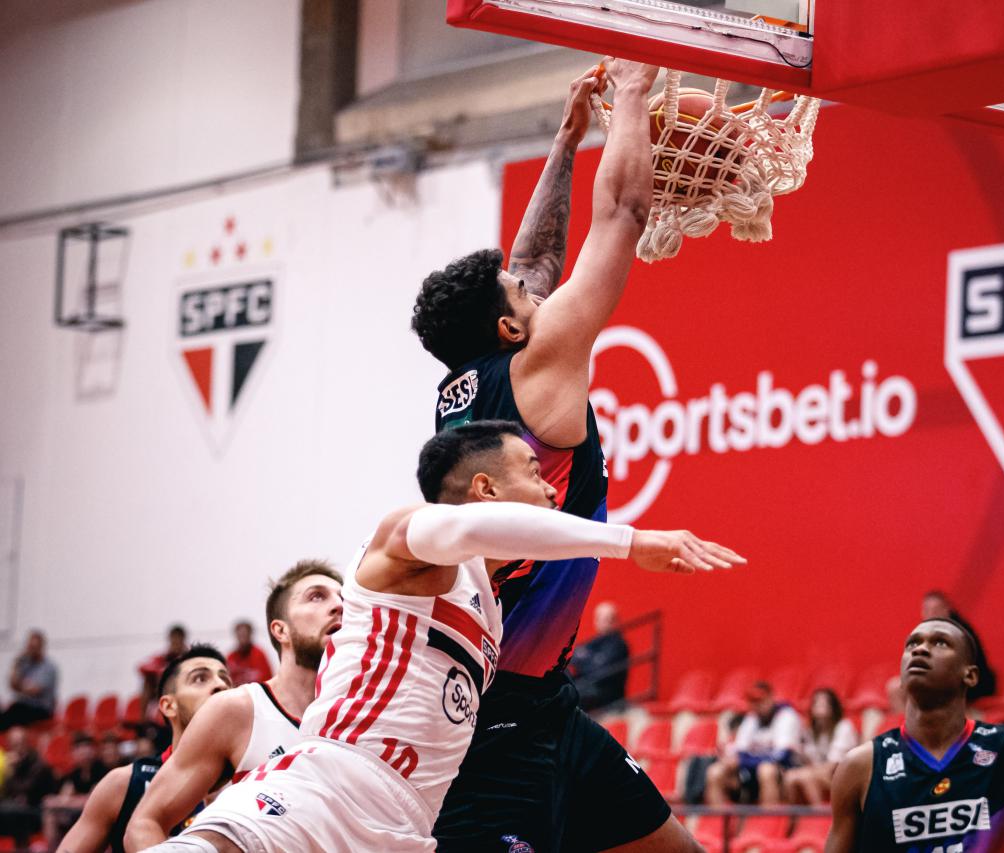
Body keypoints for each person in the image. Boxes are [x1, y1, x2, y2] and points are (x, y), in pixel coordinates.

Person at [142, 420, 741, 852]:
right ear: (485, 489)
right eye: (535, 473)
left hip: (405, 829)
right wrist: (631, 542)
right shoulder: (407, 539)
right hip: (324, 792)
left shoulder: (490, 608)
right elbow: (459, 527)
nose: (553, 490)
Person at [415, 59, 704, 851]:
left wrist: (566, 137)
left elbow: (531, 266)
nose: (533, 291)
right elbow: (621, 212)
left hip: (546, 699)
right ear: (513, 329)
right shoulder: (538, 367)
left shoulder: (466, 382)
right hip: (488, 715)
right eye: (520, 301)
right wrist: (638, 94)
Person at [123, 562, 343, 850]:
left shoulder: (372, 720)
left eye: (344, 598)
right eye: (317, 596)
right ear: (281, 630)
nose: (339, 606)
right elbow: (144, 824)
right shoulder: (238, 711)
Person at [826, 618, 1004, 852]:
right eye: (913, 643)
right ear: (900, 677)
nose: (920, 649)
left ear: (970, 675)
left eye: (940, 642)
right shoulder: (859, 767)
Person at [57, 645, 232, 853]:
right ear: (168, 706)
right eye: (200, 679)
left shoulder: (258, 777)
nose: (221, 686)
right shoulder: (124, 784)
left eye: (227, 680)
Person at [706, 681, 802, 806]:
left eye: (761, 700)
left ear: (771, 698)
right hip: (753, 768)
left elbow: (782, 756)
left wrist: (743, 761)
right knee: (715, 771)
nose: (757, 705)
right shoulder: (752, 718)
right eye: (753, 701)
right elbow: (740, 750)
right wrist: (732, 759)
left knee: (766, 770)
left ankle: (768, 821)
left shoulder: (787, 716)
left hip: (787, 770)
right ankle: (717, 821)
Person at [785, 688, 858, 805]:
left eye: (824, 703)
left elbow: (832, 767)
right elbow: (810, 762)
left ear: (833, 707)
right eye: (816, 703)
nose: (819, 707)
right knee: (790, 777)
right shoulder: (810, 731)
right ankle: (795, 820)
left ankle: (820, 818)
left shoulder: (844, 727)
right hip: (820, 773)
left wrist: (808, 771)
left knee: (805, 776)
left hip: (843, 779)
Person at [921, 591, 998, 699]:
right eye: (927, 610)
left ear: (946, 609)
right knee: (898, 688)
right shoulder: (928, 632)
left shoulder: (957, 631)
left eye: (935, 610)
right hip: (954, 681)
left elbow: (948, 666)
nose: (931, 614)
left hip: (973, 684)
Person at [43, 733, 110, 847]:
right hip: (78, 813)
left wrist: (66, 802)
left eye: (87, 747)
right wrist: (60, 801)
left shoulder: (102, 771)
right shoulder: (74, 774)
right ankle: (53, 848)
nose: (84, 752)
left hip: (98, 815)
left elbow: (92, 800)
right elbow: (65, 796)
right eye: (79, 748)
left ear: (94, 751)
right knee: (51, 815)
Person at [0, 727, 57, 848]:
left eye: (21, 743)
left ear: (28, 743)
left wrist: (12, 769)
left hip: (38, 811)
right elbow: (7, 790)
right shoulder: (15, 764)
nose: (18, 748)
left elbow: (29, 788)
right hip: (18, 810)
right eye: (14, 745)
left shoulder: (38, 763)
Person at [569, 601, 630, 712]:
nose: (605, 623)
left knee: (572, 696)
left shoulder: (618, 645)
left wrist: (584, 662)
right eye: (601, 619)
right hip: (589, 687)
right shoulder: (594, 642)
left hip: (607, 695)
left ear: (617, 620)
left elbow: (600, 673)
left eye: (610, 619)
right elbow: (573, 658)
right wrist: (591, 662)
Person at [1, 629, 58, 730]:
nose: (31, 650)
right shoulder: (25, 664)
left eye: (34, 647)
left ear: (41, 647)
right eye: (29, 647)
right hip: (23, 706)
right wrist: (16, 663)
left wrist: (19, 686)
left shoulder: (48, 667)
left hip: (41, 709)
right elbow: (12, 684)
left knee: (13, 714)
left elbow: (35, 691)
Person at [138, 626, 189, 723]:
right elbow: (143, 667)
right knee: (148, 682)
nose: (175, 643)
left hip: (184, 689)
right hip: (164, 690)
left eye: (178, 639)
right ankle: (143, 721)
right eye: (173, 639)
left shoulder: (190, 656)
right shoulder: (163, 657)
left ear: (183, 640)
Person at [224, 622, 272, 687]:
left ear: (250, 635)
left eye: (244, 635)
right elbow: (228, 681)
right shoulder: (231, 657)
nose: (242, 639)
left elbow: (268, 679)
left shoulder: (259, 654)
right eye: (240, 635)